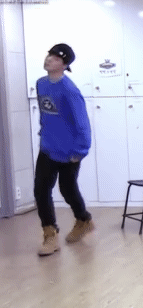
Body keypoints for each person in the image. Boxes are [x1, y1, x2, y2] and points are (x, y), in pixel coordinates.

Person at [34, 43, 95, 256]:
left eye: (55, 58)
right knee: (41, 190)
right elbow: (45, 113)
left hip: (70, 152)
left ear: (64, 65)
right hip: (48, 148)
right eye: (48, 55)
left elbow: (82, 122)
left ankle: (84, 219)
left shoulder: (70, 90)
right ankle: (50, 235)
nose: (49, 59)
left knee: (67, 190)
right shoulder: (41, 84)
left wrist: (80, 150)